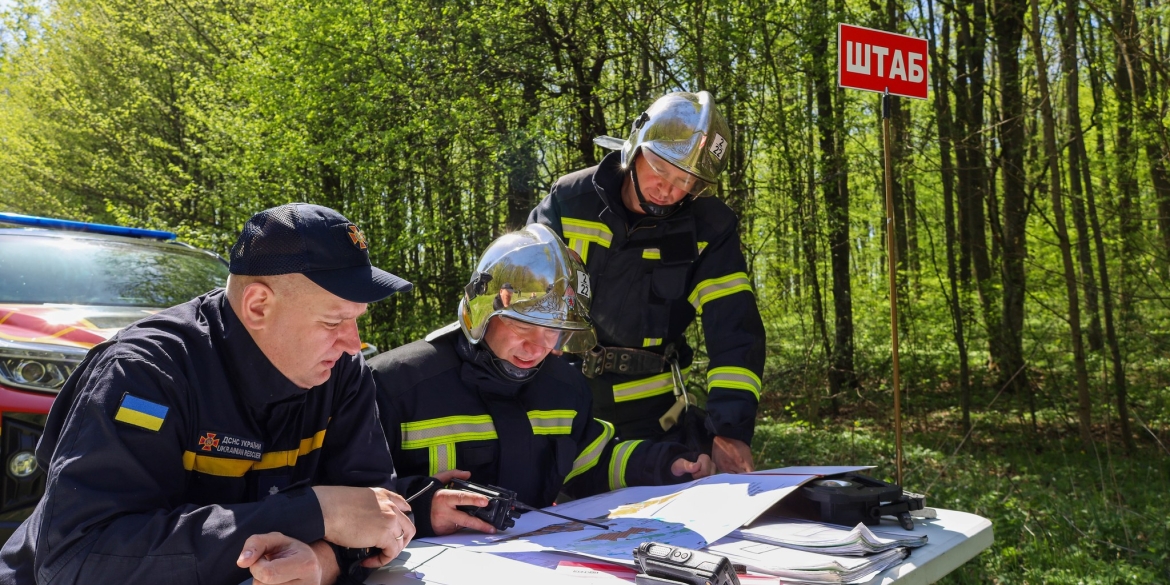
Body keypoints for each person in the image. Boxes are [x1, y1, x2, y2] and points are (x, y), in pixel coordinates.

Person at [0, 204, 416, 585]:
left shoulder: (340, 372)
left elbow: (374, 517)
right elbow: (79, 560)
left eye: (357, 320)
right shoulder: (145, 373)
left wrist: (321, 561)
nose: (353, 342)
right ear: (257, 305)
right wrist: (314, 513)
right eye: (333, 322)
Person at [369, 224, 714, 537]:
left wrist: (666, 464)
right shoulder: (394, 384)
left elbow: (593, 460)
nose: (539, 346)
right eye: (524, 325)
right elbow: (344, 492)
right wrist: (421, 510)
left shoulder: (565, 389)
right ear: (482, 310)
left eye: (555, 331)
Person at [528, 91, 766, 474]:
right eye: (660, 167)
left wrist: (730, 430)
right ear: (634, 148)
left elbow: (735, 331)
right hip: (558, 405)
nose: (667, 189)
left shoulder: (710, 228)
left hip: (652, 421)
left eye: (686, 180)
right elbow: (519, 293)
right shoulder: (571, 200)